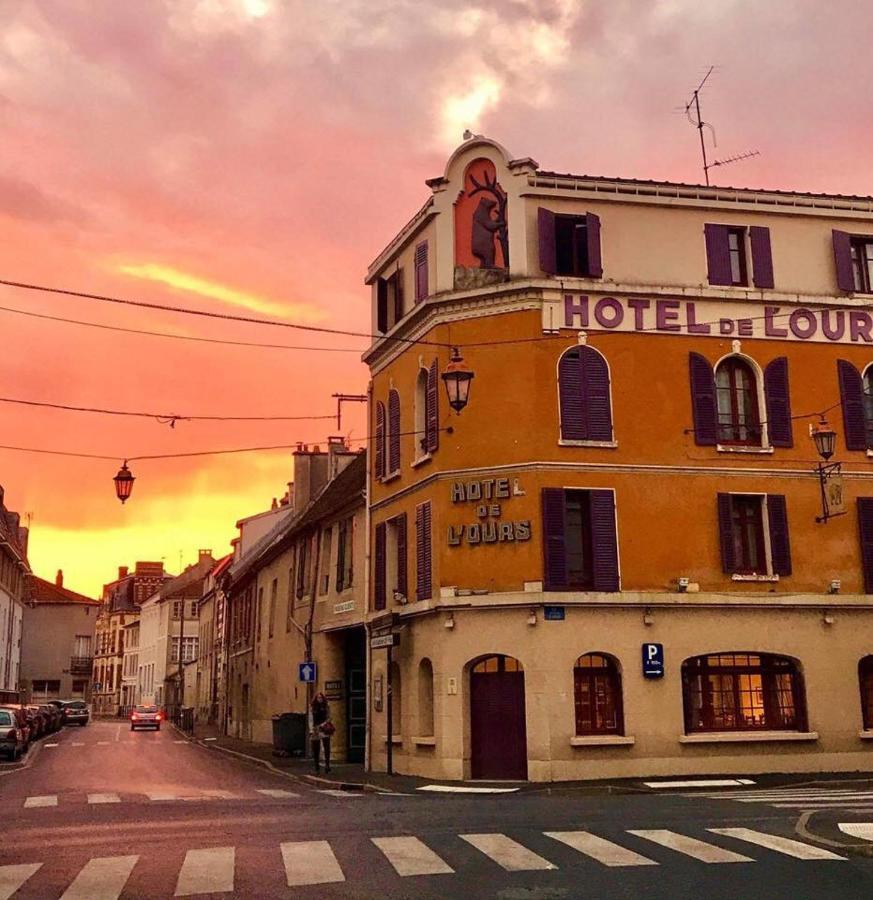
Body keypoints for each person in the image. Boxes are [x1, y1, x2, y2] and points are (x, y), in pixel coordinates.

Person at [310, 692, 333, 773]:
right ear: (316, 699)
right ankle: (316, 766)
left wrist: (323, 724)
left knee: (326, 746)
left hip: (324, 728)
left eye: (321, 697)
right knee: (316, 748)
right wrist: (311, 729)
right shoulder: (313, 707)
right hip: (315, 728)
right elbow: (310, 718)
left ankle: (327, 765)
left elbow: (329, 717)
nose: (320, 699)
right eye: (318, 697)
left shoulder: (326, 706)